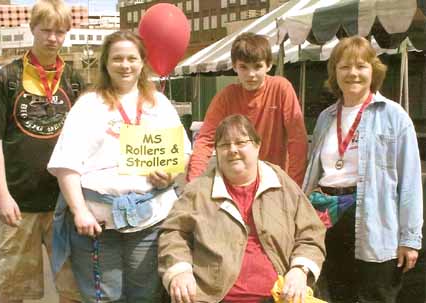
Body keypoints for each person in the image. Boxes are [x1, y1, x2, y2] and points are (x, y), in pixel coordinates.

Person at [47, 30, 192, 303]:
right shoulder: (88, 105)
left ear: (141, 62)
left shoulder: (158, 104)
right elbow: (66, 165)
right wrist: (79, 212)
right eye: (117, 59)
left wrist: (170, 173)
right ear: (106, 63)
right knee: (103, 297)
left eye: (131, 58)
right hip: (98, 224)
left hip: (151, 220)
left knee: (146, 295)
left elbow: (182, 151)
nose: (125, 65)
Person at [0, 0, 84, 302]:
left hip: (63, 204)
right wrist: (2, 194)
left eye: (60, 32)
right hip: (19, 205)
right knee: (14, 289)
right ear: (32, 29)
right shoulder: (7, 78)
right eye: (46, 30)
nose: (53, 38)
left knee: (73, 288)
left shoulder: (73, 80)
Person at [303, 36, 423, 303]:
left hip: (375, 222)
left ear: (373, 70)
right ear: (334, 72)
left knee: (375, 296)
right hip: (328, 220)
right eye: (344, 67)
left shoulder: (394, 116)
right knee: (335, 295)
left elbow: (411, 182)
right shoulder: (326, 118)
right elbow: (312, 173)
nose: (353, 73)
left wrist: (410, 238)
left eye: (361, 66)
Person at [159, 114, 325, 303]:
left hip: (279, 297)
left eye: (241, 142)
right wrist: (180, 271)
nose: (232, 150)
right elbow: (173, 232)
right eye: (224, 145)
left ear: (257, 145)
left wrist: (299, 270)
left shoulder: (281, 183)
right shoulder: (199, 189)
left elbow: (311, 232)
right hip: (213, 297)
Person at [186, 32, 308, 186]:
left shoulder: (281, 88)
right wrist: (193, 182)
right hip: (235, 183)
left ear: (269, 65)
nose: (251, 74)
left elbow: (297, 140)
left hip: (273, 182)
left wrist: (293, 186)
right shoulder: (226, 96)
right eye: (244, 67)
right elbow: (205, 140)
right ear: (235, 66)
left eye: (257, 66)